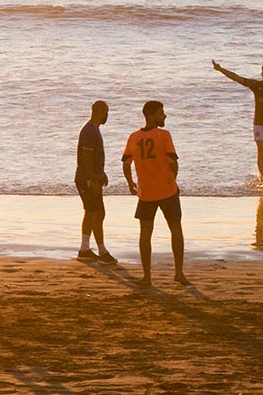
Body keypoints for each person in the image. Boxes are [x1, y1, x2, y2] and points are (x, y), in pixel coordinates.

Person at [122, 101, 188, 286]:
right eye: (161, 113)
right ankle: (179, 273)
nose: (164, 116)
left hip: (146, 193)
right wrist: (173, 179)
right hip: (167, 190)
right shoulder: (164, 135)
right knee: (175, 229)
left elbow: (126, 163)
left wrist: (130, 183)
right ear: (151, 116)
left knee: (145, 233)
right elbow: (173, 162)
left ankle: (147, 276)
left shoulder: (133, 137)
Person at [75, 101, 117, 264]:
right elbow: (86, 157)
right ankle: (102, 250)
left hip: (88, 176)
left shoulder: (93, 129)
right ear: (99, 111)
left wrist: (101, 173)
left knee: (91, 212)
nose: (107, 115)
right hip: (87, 178)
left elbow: (93, 157)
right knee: (98, 213)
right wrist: (92, 179)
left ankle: (84, 249)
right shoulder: (90, 131)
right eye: (106, 112)